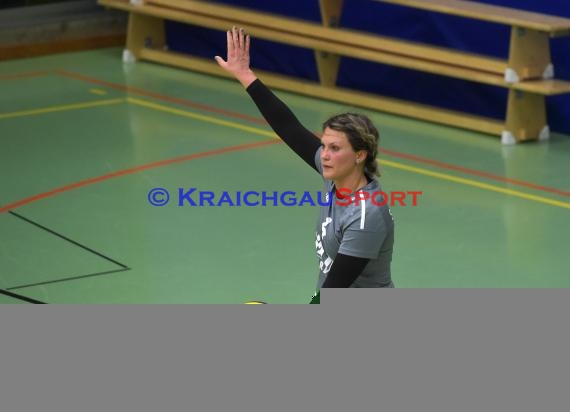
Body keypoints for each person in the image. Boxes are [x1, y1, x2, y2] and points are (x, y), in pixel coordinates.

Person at [215, 27, 394, 299]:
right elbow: (288, 127)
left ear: (360, 155)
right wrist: (245, 75)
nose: (324, 154)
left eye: (335, 148)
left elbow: (334, 288)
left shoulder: (365, 217)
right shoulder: (334, 176)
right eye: (324, 146)